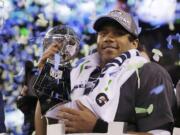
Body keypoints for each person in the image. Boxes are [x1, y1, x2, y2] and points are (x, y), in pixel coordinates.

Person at [35, 10, 175, 135]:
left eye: (119, 34)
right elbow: (45, 129)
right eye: (103, 33)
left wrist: (99, 127)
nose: (108, 38)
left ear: (134, 43)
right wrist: (47, 77)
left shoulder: (150, 74)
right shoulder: (76, 73)